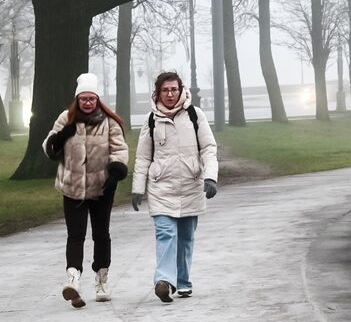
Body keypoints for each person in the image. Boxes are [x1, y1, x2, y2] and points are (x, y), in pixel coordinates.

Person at [42, 73, 129, 307]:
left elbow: (119, 149)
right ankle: (73, 280)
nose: (88, 102)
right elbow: (48, 147)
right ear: (77, 99)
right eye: (83, 99)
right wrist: (61, 136)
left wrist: (116, 172)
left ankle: (102, 280)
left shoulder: (109, 121)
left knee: (101, 234)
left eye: (92, 98)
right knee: (75, 235)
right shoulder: (66, 118)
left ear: (97, 99)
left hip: (102, 188)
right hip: (73, 187)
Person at [131, 72, 219, 303]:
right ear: (157, 93)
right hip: (161, 188)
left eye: (174, 89)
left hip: (190, 186)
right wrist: (138, 188)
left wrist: (211, 177)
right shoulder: (151, 119)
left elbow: (208, 148)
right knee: (166, 234)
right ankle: (164, 281)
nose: (170, 94)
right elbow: (143, 157)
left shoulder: (194, 115)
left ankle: (182, 281)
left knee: (186, 238)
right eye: (165, 90)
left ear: (181, 90)